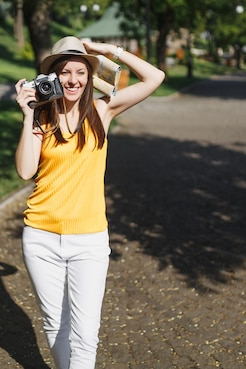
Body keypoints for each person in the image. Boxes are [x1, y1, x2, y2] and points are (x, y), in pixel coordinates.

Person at [14, 36, 165, 369]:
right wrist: (28, 116)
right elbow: (25, 170)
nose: (73, 80)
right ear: (52, 76)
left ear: (89, 77)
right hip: (41, 237)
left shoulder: (102, 109)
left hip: (90, 240)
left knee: (85, 335)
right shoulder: (42, 117)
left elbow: (155, 78)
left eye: (80, 72)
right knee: (56, 326)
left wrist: (106, 50)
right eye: (65, 72)